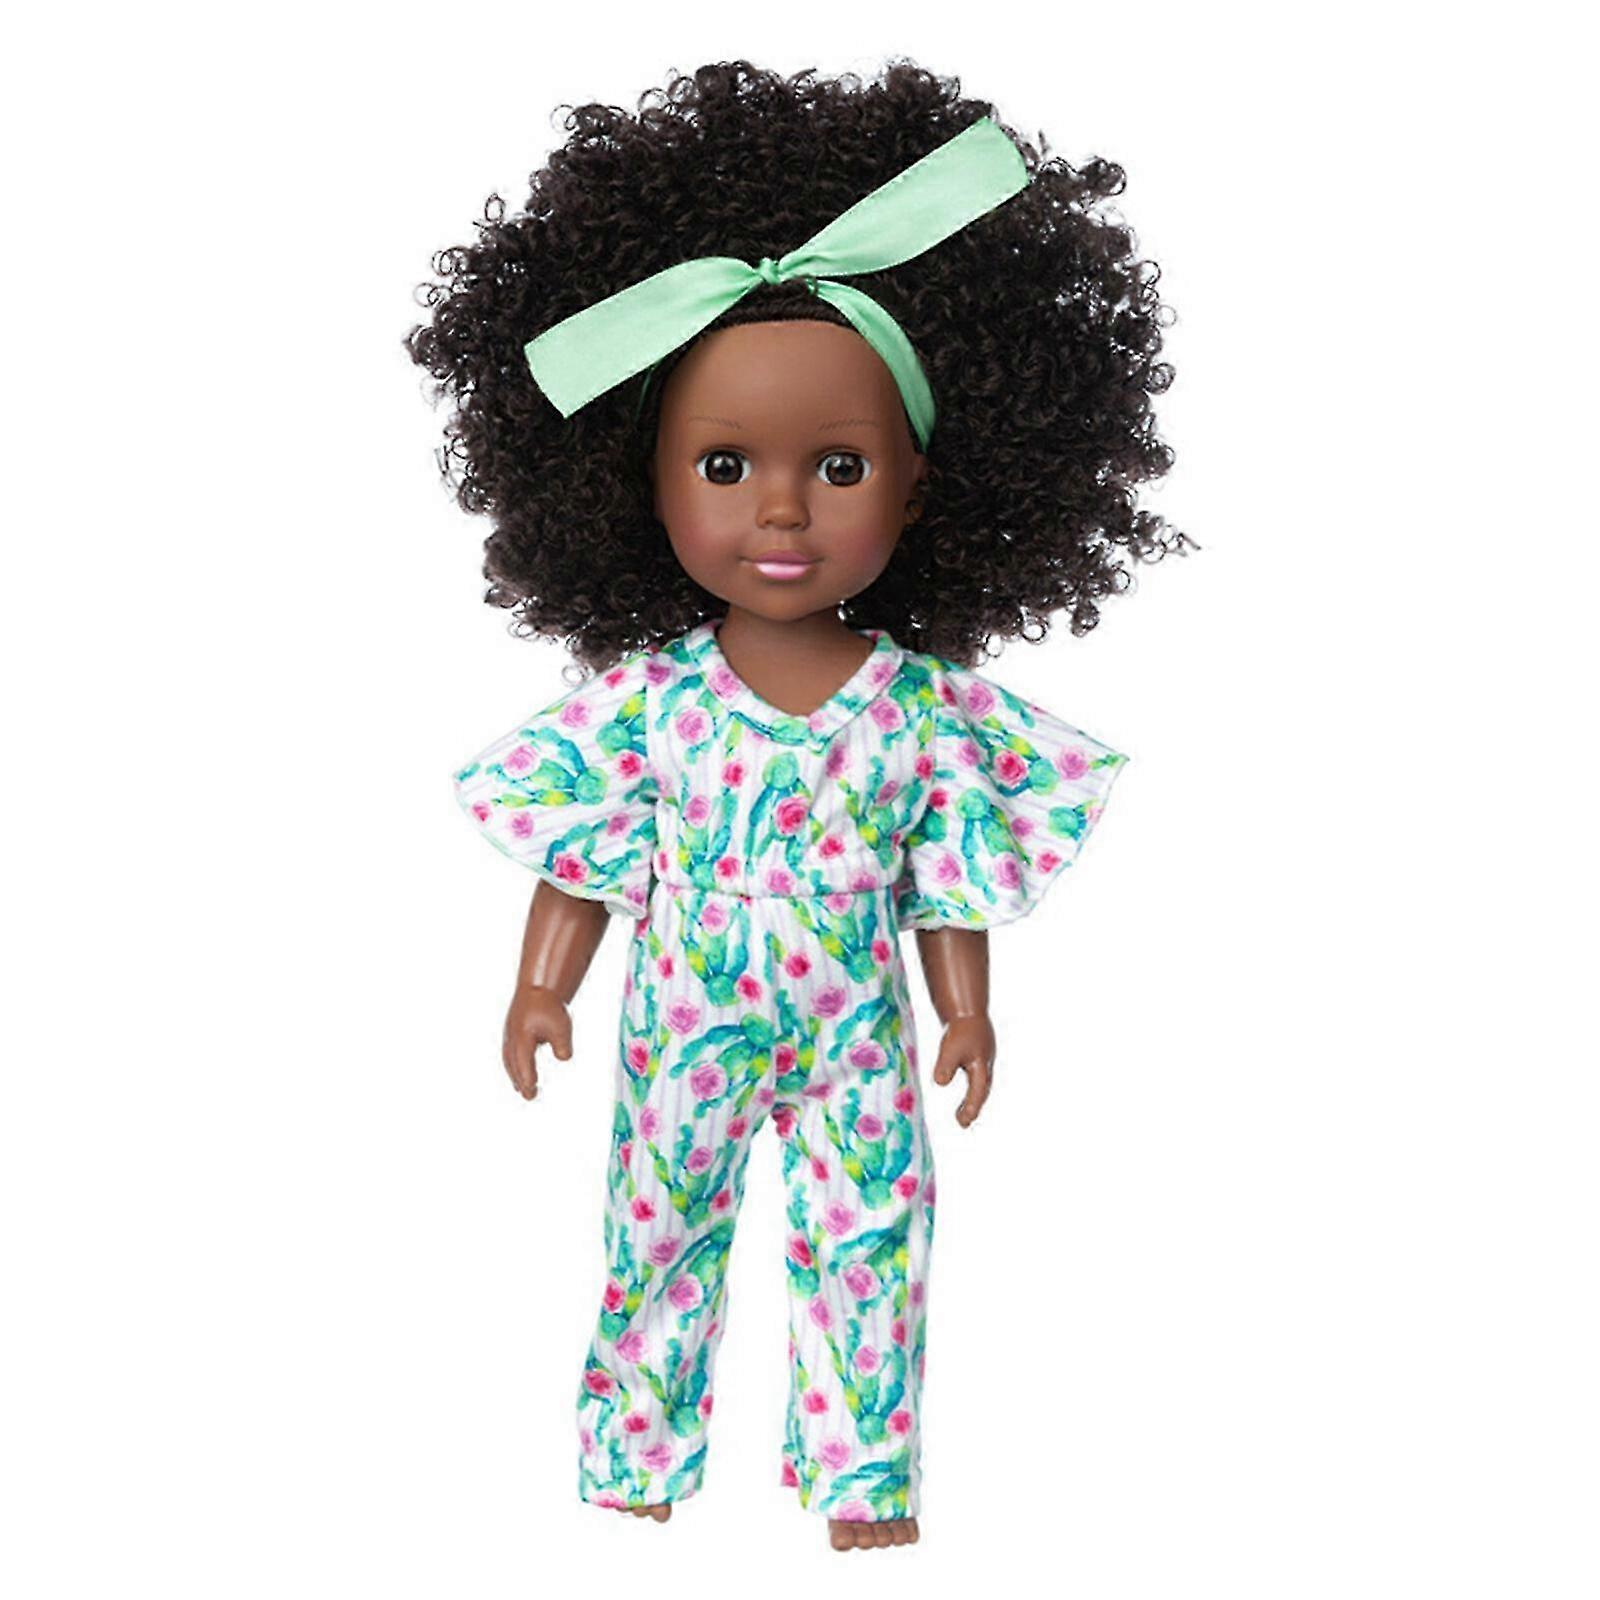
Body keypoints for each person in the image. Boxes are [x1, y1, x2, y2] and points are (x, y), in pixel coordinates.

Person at [408, 58, 1184, 1552]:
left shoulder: (925, 707)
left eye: (838, 466)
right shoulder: (650, 701)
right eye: (725, 465)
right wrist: (540, 983)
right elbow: (586, 853)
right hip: (685, 1015)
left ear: (919, 487)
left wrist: (967, 1009)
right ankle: (636, 1452)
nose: (780, 509)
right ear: (642, 486)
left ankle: (861, 1480)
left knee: (873, 1239)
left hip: (857, 1029)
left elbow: (949, 874)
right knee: (657, 1228)